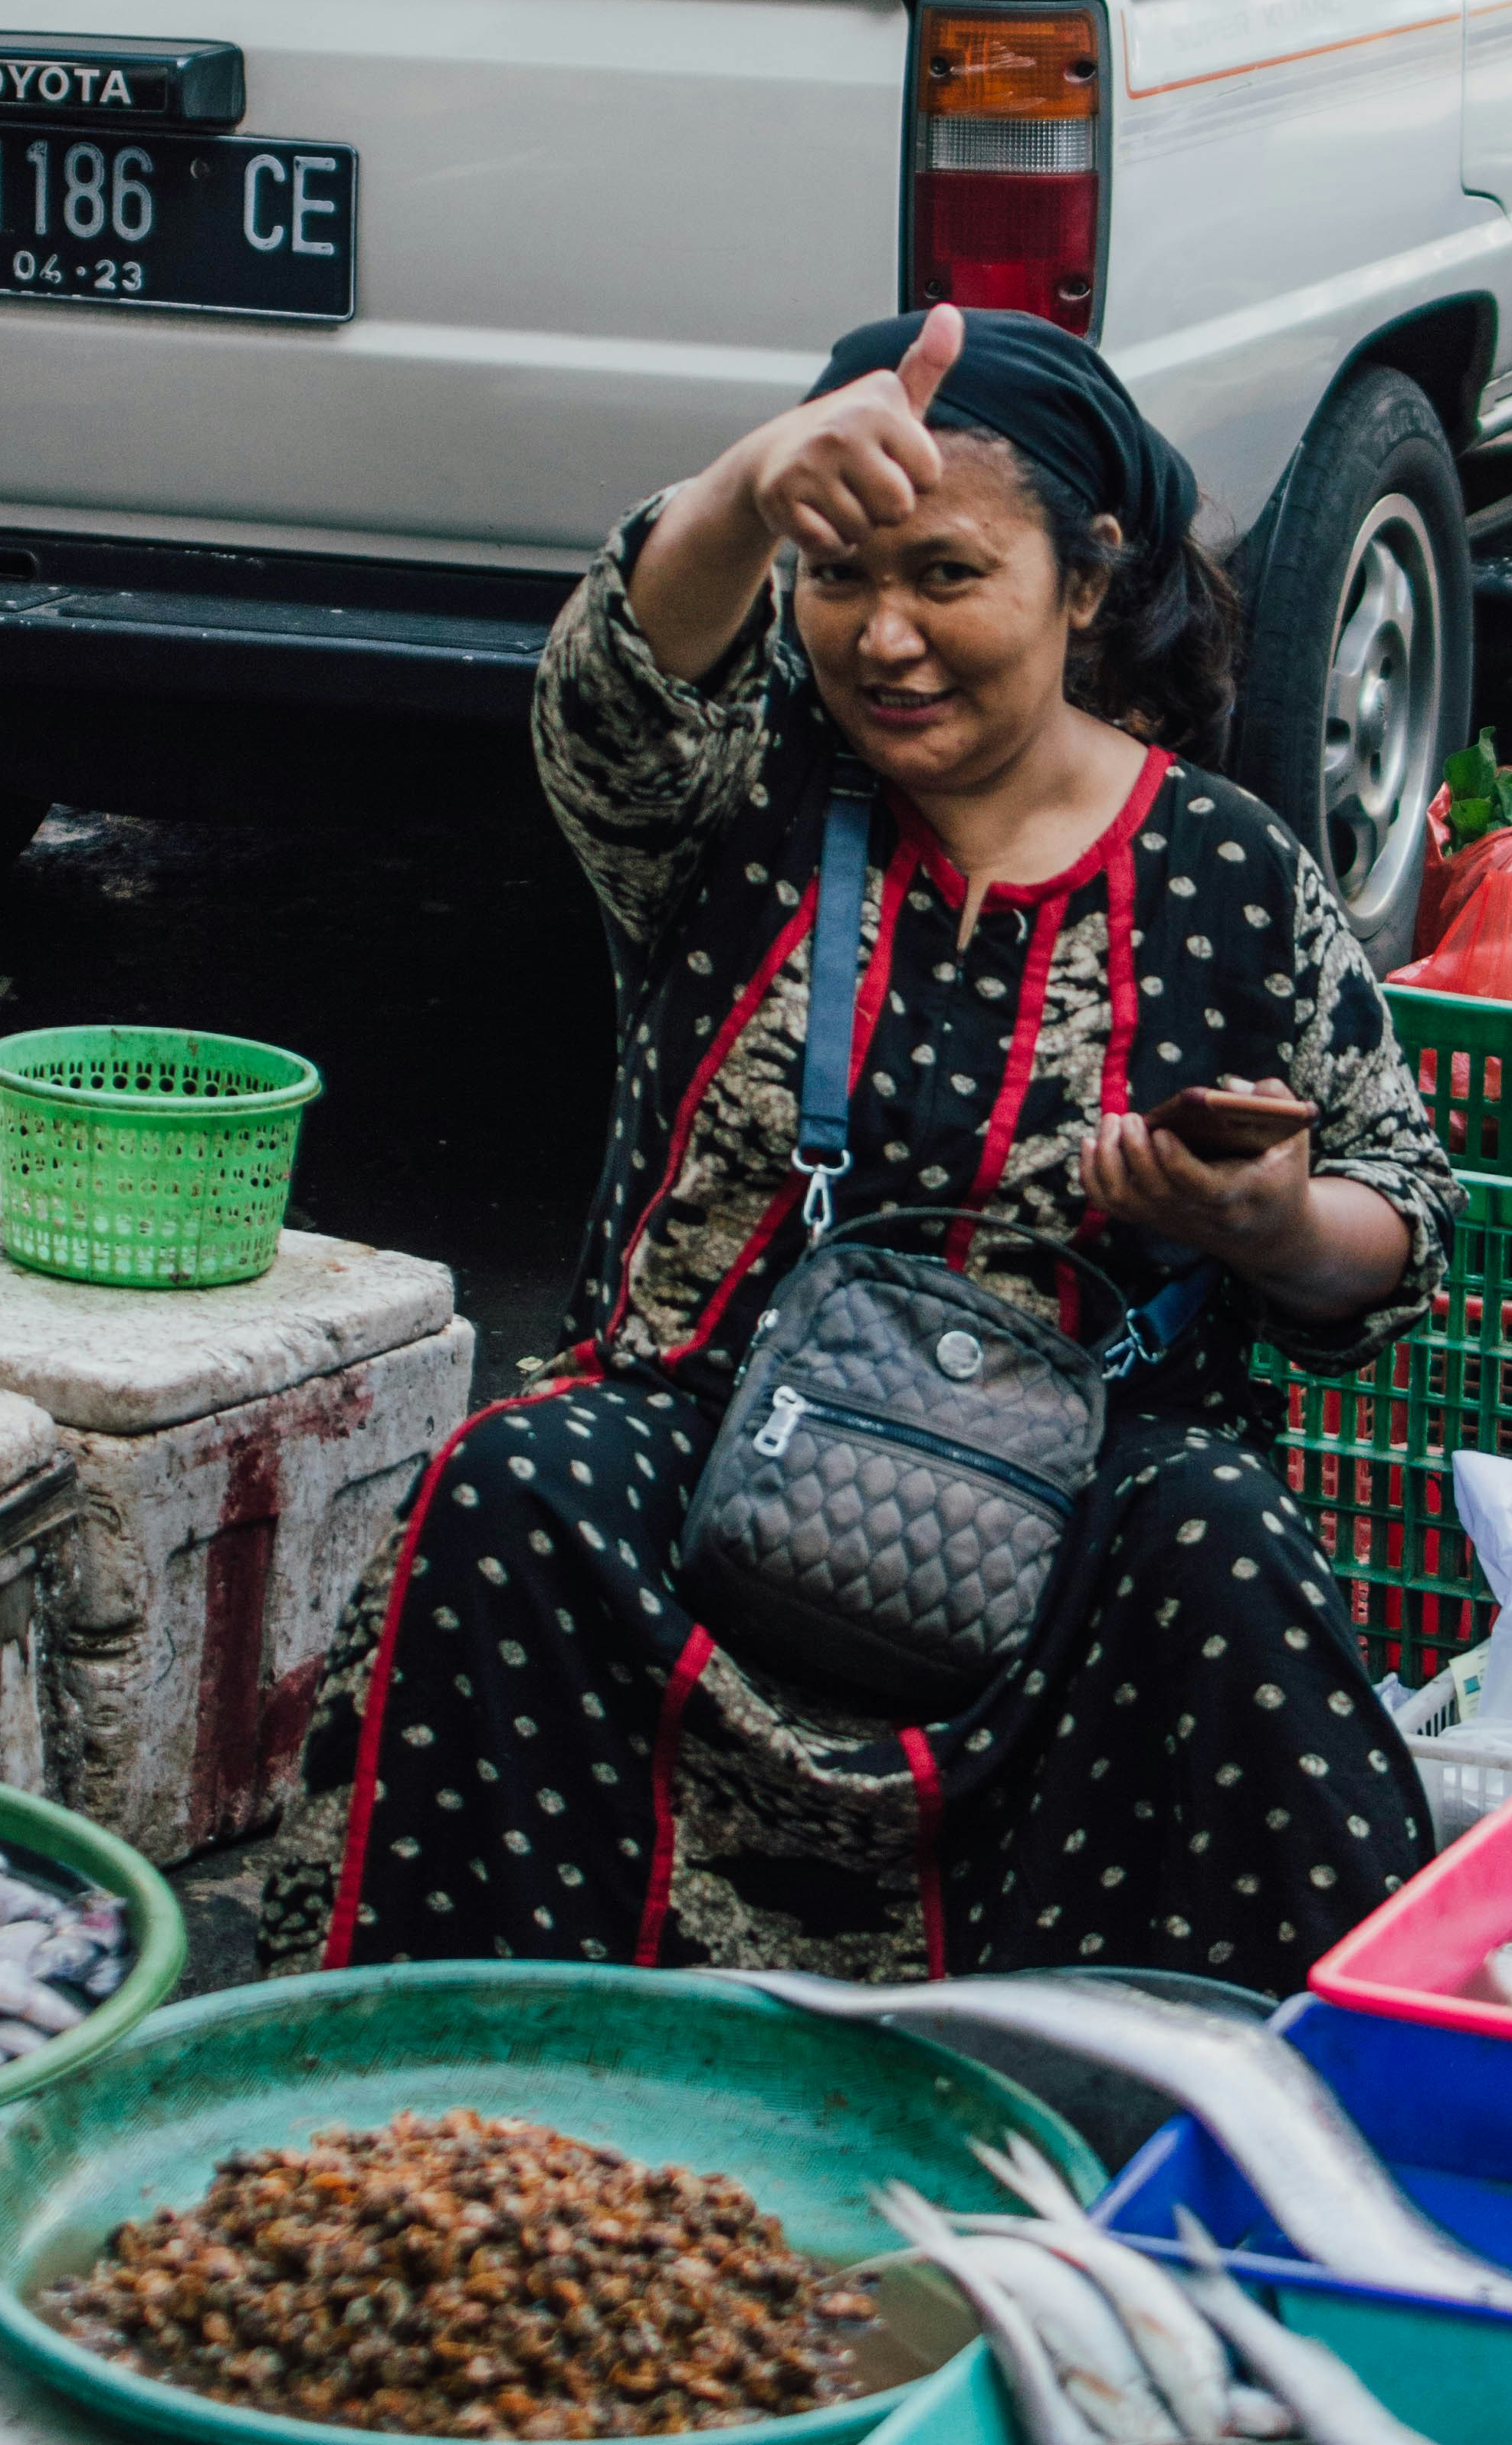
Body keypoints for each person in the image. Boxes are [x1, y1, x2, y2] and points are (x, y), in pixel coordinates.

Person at [262, 302, 1451, 1991]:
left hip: (1072, 1527)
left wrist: (1269, 1222)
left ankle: (1238, 2138)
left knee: (1223, 1542)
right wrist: (750, 485)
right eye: (838, 575)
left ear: (1087, 580)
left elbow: (1397, 1214)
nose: (882, 638)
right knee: (509, 1482)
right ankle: (450, 2076)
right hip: (703, 1461)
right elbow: (608, 686)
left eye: (946, 577)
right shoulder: (735, 788)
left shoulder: (1233, 871)